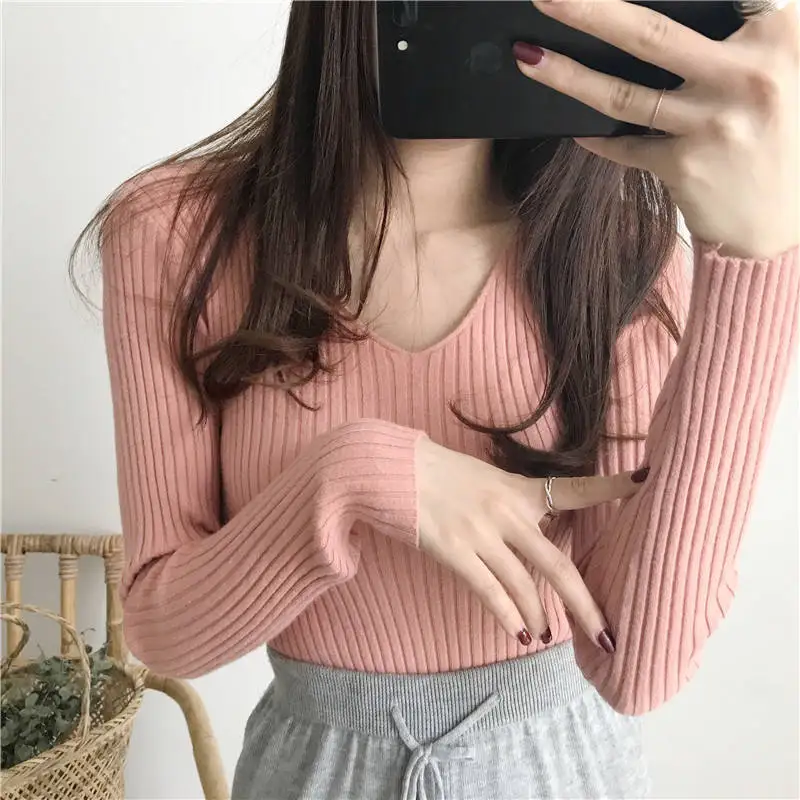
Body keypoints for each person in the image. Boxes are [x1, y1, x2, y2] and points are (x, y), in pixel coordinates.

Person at [75, 0, 798, 797]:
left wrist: (758, 262)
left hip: (558, 770)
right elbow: (169, 634)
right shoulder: (174, 235)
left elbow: (640, 668)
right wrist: (355, 477)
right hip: (314, 774)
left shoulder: (616, 251)